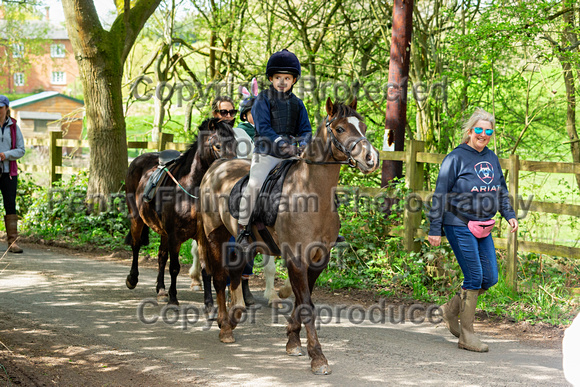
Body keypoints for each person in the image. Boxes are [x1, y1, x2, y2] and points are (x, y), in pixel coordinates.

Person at [427, 107, 518, 353]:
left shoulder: (491, 158)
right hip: (457, 223)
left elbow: (500, 190)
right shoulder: (455, 158)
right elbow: (440, 195)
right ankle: (467, 335)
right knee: (475, 277)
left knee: (490, 278)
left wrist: (508, 215)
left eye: (489, 131)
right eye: (479, 129)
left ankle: (449, 310)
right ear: (469, 131)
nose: (484, 134)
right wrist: (435, 227)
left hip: (484, 226)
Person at [236, 49, 312, 250]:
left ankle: (325, 226)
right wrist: (281, 142)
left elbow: (306, 129)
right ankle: (243, 228)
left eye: (287, 78)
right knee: (254, 184)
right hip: (266, 154)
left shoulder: (298, 104)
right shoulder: (263, 98)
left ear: (294, 80)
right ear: (271, 78)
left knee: (315, 181)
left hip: (291, 156)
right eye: (278, 77)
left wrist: (303, 143)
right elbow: (263, 127)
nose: (282, 81)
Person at [0, 95, 26, 254]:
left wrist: (6, 155)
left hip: (9, 173)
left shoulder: (14, 127)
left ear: (6, 108)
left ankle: (12, 242)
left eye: (1, 108)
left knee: (10, 204)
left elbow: (21, 150)